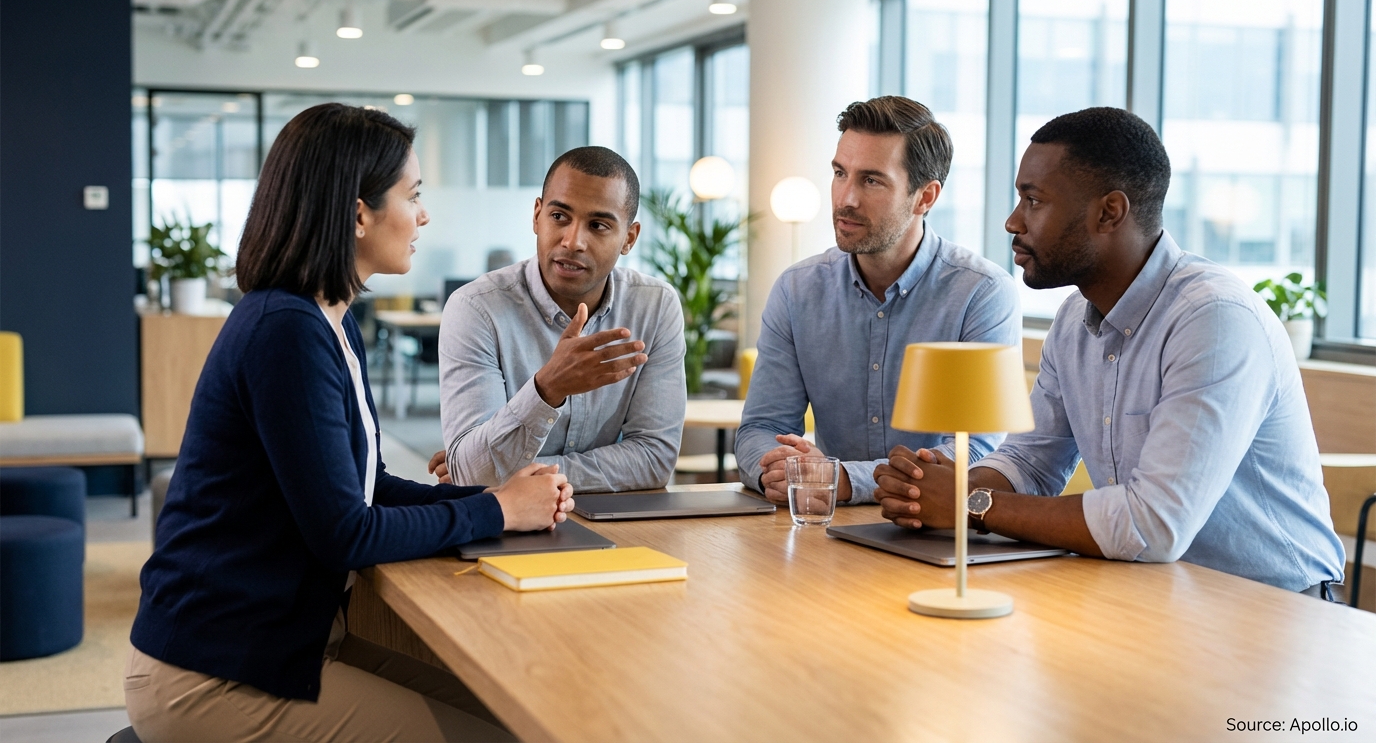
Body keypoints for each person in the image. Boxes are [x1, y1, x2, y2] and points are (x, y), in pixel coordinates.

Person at [126, 103, 575, 743]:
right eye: (412, 196)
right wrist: (499, 511)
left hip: (284, 646)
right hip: (212, 673)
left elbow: (365, 485)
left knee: (517, 714)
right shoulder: (286, 331)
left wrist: (493, 499)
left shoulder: (329, 320)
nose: (423, 215)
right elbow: (345, 532)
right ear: (359, 213)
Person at [874, 107, 1346, 596]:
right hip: (1161, 593)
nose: (1013, 221)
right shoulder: (1074, 318)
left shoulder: (1214, 319)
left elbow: (1153, 524)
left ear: (1109, 212)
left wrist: (969, 505)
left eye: (1033, 201)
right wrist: (941, 489)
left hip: (1277, 610)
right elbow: (1031, 462)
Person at [735, 96, 1020, 506]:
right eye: (839, 173)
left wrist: (844, 480)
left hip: (936, 532)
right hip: (826, 529)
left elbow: (976, 449)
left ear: (925, 197)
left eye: (871, 180)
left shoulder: (981, 292)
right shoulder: (797, 290)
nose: (845, 198)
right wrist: (779, 470)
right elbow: (761, 426)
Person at [430, 146, 686, 493]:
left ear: (629, 238)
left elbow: (654, 460)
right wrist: (547, 388)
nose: (572, 241)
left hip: (617, 528)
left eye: (598, 225)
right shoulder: (476, 308)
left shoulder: (655, 306)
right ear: (537, 215)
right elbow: (476, 474)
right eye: (559, 217)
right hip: (505, 527)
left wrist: (511, 471)